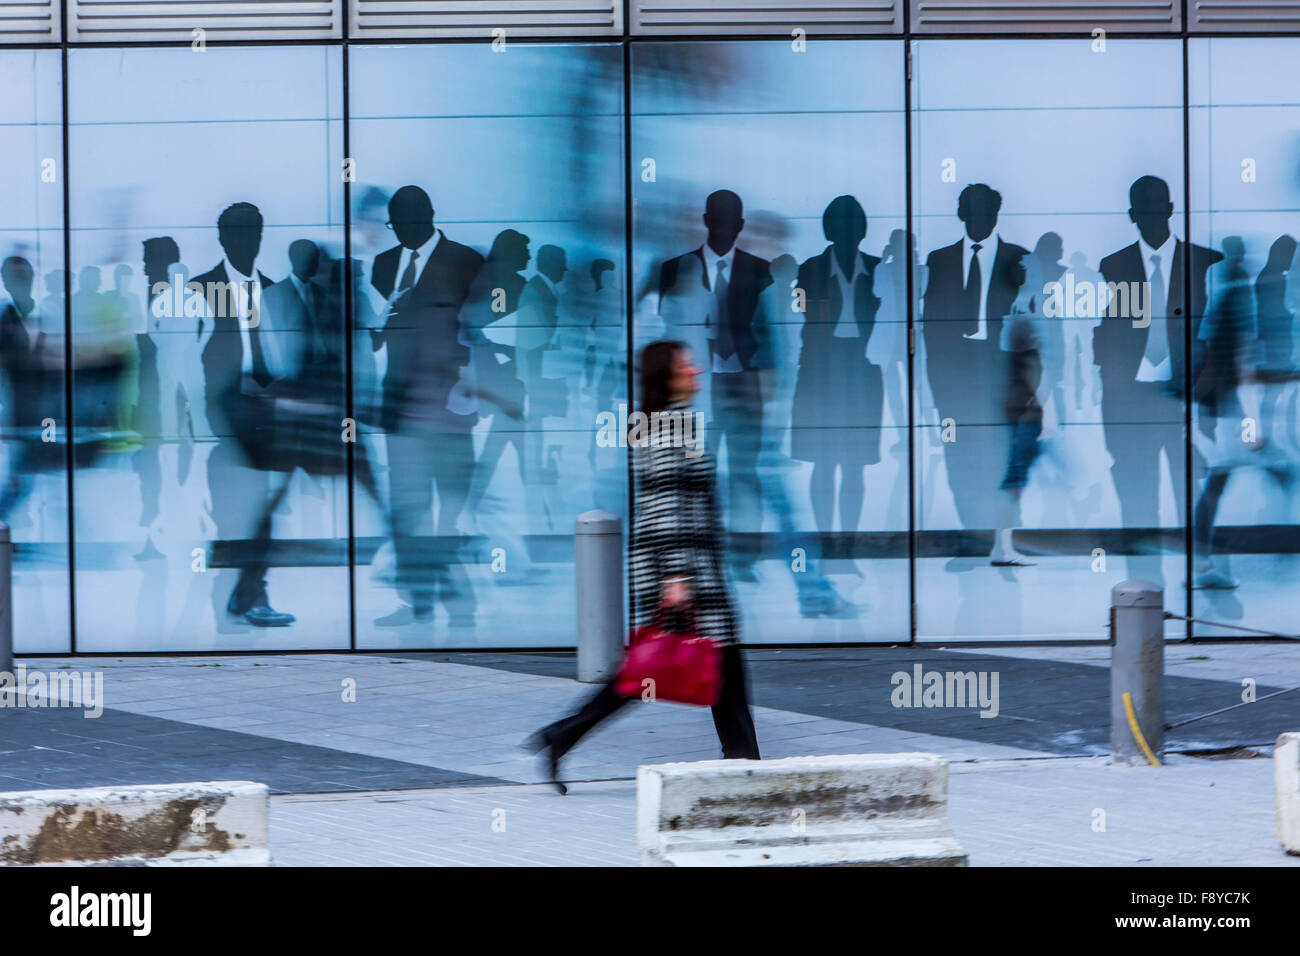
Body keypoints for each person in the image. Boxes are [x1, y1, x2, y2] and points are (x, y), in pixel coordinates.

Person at [526, 340, 760, 793]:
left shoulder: (663, 424)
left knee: (656, 674)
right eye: (684, 363)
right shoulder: (672, 428)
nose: (695, 369)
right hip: (685, 574)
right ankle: (746, 768)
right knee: (697, 672)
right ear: (666, 376)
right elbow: (668, 507)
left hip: (685, 570)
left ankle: (562, 735)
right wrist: (678, 578)